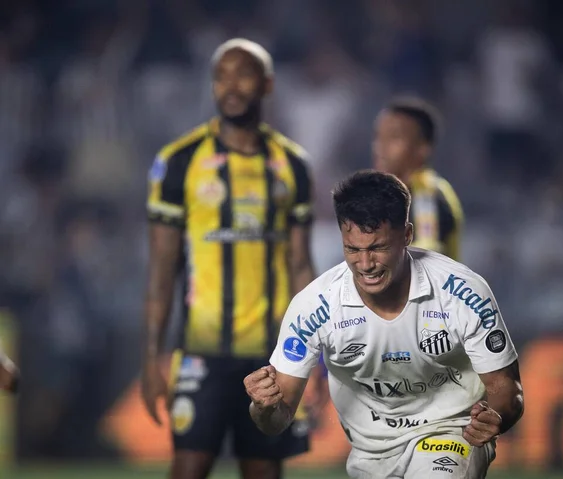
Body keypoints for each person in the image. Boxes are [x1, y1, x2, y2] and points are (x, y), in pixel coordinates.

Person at [245, 171, 524, 479]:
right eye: (353, 249)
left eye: (377, 247)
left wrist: (496, 416)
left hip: (451, 432)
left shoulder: (462, 292)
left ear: (406, 235)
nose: (365, 264)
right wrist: (264, 406)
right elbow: (275, 421)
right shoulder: (314, 305)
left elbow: (507, 389)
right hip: (369, 455)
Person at [143, 39, 316, 479]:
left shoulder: (292, 165)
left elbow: (301, 265)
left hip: (272, 357)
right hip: (202, 352)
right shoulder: (180, 162)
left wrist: (315, 356)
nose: (231, 86)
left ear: (268, 84)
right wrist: (151, 359)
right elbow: (162, 270)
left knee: (264, 470)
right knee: (188, 466)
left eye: (243, 74)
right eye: (221, 76)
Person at [373, 96, 463, 260]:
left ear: (423, 148)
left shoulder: (426, 192)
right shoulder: (392, 193)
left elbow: (427, 250)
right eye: (379, 136)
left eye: (394, 137)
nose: (381, 146)